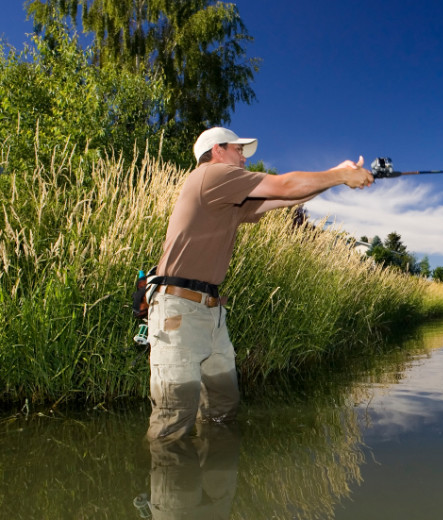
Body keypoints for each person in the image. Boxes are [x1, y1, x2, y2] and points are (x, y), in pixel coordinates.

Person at [147, 127, 373, 440]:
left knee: (222, 409)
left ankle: (215, 484)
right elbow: (284, 184)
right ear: (217, 151)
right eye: (238, 150)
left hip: (211, 312)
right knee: (173, 421)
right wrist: (339, 177)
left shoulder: (228, 197)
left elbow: (285, 197)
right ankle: (170, 484)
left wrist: (338, 173)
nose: (243, 157)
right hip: (178, 311)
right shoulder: (212, 176)